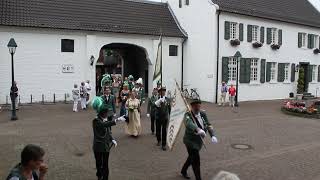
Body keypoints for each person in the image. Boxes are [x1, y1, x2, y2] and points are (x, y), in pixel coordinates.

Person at [180, 98, 218, 180]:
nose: (197, 108)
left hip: (199, 142)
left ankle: (183, 170)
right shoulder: (187, 114)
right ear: (192, 106)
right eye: (195, 107)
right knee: (196, 162)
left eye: (199, 106)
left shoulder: (203, 114)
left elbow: (208, 124)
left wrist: (213, 135)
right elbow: (188, 123)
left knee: (191, 157)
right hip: (190, 141)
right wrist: (198, 129)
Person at [92, 96, 126, 180]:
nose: (107, 114)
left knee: (106, 165)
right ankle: (99, 175)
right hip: (98, 147)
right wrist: (117, 120)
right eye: (106, 112)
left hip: (106, 146)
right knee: (99, 163)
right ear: (102, 113)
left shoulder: (104, 119)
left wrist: (112, 139)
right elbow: (104, 125)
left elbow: (107, 131)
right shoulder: (96, 121)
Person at [155, 86, 171, 151]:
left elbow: (169, 108)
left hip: (165, 117)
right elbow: (154, 106)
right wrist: (159, 102)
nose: (163, 92)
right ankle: (159, 140)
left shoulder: (167, 99)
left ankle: (164, 144)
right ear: (159, 92)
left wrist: (170, 116)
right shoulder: (156, 98)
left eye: (164, 91)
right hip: (158, 117)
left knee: (164, 131)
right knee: (158, 130)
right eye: (161, 91)